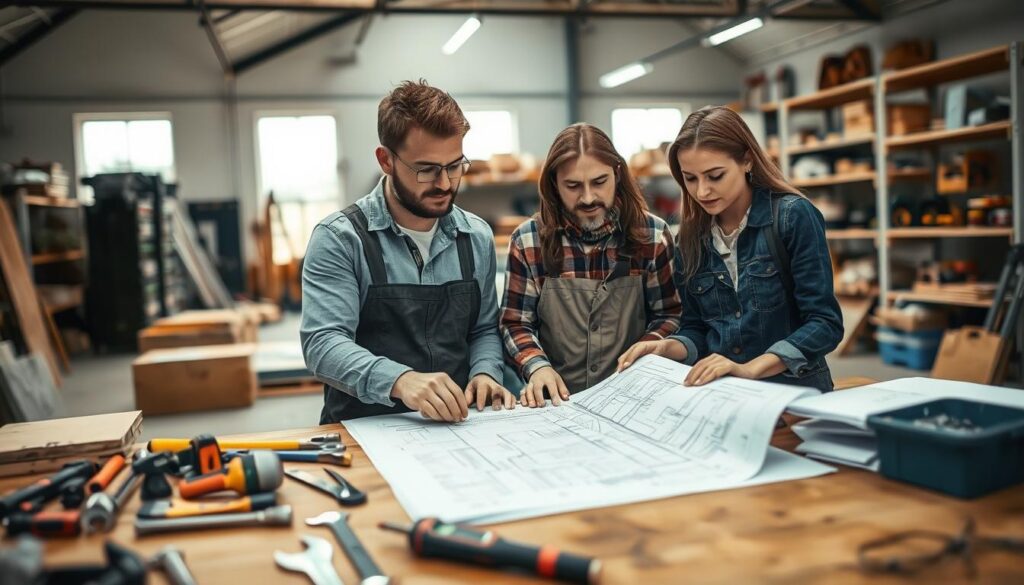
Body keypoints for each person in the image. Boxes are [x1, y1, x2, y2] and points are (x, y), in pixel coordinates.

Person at [302, 80, 514, 423]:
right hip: (363, 428)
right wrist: (400, 380)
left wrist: (486, 372)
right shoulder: (340, 239)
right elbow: (323, 344)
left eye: (455, 165)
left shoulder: (476, 237)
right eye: (427, 170)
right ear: (386, 160)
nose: (445, 183)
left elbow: (484, 329)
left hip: (457, 428)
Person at [618, 106, 843, 391]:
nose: (702, 192)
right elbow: (697, 329)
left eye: (715, 176)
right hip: (725, 395)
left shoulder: (792, 216)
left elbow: (825, 324)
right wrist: (663, 348)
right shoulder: (689, 238)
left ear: (747, 160)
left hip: (794, 394)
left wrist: (750, 369)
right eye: (690, 178)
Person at [500, 123, 682, 407]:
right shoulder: (528, 241)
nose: (587, 197)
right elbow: (515, 323)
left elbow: (670, 314)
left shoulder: (652, 236)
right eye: (573, 186)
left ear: (617, 175)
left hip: (634, 400)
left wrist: (645, 353)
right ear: (554, 184)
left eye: (599, 182)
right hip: (557, 405)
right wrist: (537, 366)